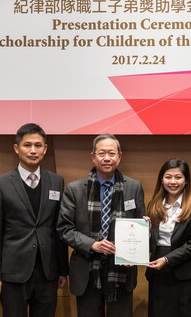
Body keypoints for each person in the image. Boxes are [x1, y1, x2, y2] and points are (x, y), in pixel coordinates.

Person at [57, 134, 145, 317]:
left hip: (121, 270)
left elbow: (139, 223)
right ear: (93, 156)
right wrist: (92, 244)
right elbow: (64, 228)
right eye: (102, 153)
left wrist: (142, 232)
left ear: (119, 156)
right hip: (86, 269)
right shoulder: (75, 189)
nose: (107, 158)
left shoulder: (134, 187)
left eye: (111, 153)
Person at [0, 123, 68, 317]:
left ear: (45, 149)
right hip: (13, 273)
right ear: (17, 148)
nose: (33, 150)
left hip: (48, 272)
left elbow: (59, 228)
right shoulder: (1, 184)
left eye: (38, 145)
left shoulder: (56, 181)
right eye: (27, 145)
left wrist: (62, 270)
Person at [145, 159, 191, 317]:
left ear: (186, 181)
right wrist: (146, 230)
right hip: (157, 271)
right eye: (168, 177)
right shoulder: (153, 205)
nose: (173, 182)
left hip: (185, 270)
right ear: (161, 179)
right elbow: (150, 242)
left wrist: (167, 260)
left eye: (178, 177)